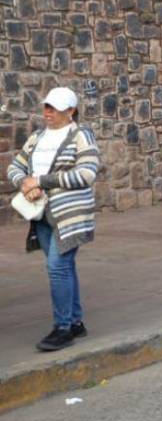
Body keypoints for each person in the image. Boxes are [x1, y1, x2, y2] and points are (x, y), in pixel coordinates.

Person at [7, 87, 100, 352]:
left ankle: (63, 329)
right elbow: (15, 166)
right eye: (46, 106)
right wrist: (26, 182)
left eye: (54, 108)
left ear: (70, 111)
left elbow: (87, 173)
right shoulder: (37, 137)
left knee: (57, 267)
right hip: (40, 214)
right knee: (64, 266)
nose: (47, 112)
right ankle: (76, 321)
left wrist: (42, 181)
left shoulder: (81, 135)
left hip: (69, 216)